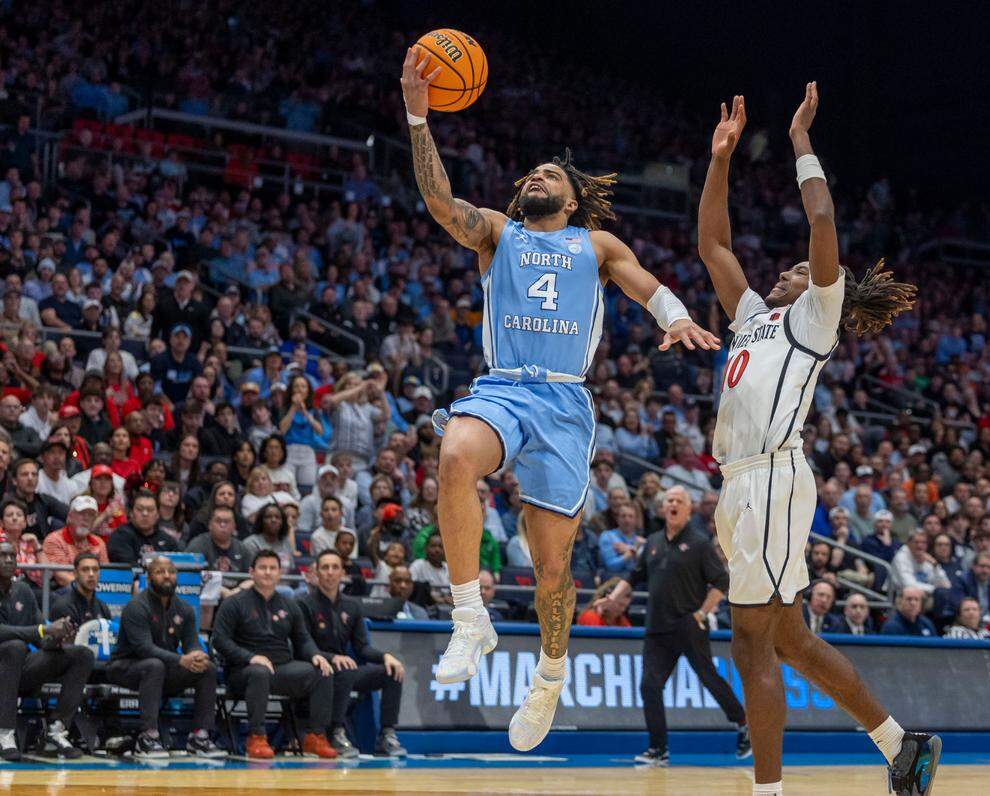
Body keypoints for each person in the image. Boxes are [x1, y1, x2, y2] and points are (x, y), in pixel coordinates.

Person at [401, 50, 719, 755]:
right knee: (454, 452)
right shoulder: (496, 232)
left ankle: (549, 674)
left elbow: (643, 282)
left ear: (572, 200)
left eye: (551, 174)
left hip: (566, 408)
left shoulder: (595, 243)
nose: (535, 176)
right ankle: (467, 615)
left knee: (552, 572)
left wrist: (671, 316)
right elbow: (438, 202)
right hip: (503, 388)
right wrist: (419, 115)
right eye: (531, 173)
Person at [696, 86, 935, 795]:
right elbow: (713, 243)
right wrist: (720, 161)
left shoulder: (815, 317)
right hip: (742, 483)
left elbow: (822, 217)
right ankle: (901, 746)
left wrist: (800, 140)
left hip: (770, 478)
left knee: (750, 641)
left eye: (797, 271)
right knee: (792, 639)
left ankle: (767, 792)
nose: (784, 272)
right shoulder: (751, 318)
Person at [602, 487, 748, 765]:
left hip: (689, 625)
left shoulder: (700, 543)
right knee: (649, 685)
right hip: (657, 628)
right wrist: (611, 598)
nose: (673, 504)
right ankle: (659, 749)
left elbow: (721, 582)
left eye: (679, 501)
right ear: (661, 508)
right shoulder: (653, 542)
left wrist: (702, 613)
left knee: (708, 677)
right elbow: (634, 576)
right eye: (669, 500)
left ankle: (743, 722)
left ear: (688, 509)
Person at [210, 549, 337, 759]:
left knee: (322, 672)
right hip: (244, 671)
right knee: (259, 672)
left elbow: (303, 639)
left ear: (279, 574)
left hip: (282, 668)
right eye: (262, 568)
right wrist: (250, 657)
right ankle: (256, 736)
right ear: (251, 572)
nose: (267, 573)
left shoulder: (290, 605)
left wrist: (315, 654)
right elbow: (220, 640)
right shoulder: (234, 602)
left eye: (272, 568)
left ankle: (315, 736)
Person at [107, 555, 224, 758]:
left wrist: (198, 656)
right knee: (154, 665)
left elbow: (191, 643)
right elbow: (144, 649)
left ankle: (199, 736)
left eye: (171, 571)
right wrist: (181, 660)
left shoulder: (184, 609)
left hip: (163, 669)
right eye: (160, 572)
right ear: (149, 578)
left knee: (207, 669)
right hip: (125, 667)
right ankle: (148, 737)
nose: (167, 576)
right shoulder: (136, 606)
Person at [299, 550, 407, 758]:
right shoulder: (305, 604)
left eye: (335, 567)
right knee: (346, 670)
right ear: (317, 572)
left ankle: (386, 734)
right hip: (316, 668)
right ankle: (335, 732)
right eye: (325, 568)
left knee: (392, 671)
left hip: (344, 670)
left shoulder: (352, 605)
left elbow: (362, 648)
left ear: (342, 573)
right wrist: (332, 658)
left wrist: (385, 656)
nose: (330, 573)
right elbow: (303, 646)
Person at [0, 541, 94, 761]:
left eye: (12, 556)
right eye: (2, 556)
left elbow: (42, 633)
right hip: (4, 665)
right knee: (14, 647)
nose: (8, 560)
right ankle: (4, 732)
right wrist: (43, 630)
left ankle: (56, 729)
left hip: (19, 670)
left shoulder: (23, 590)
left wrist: (57, 636)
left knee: (82, 654)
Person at [42, 495, 109, 588]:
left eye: (91, 515)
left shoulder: (99, 542)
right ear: (70, 517)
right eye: (81, 513)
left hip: (94, 591)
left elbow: (106, 574)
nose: (86, 518)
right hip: (64, 592)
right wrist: (89, 588)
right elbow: (61, 577)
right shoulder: (54, 540)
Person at [49, 552, 112, 627]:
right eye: (85, 569)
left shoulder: (103, 607)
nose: (91, 574)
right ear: (75, 573)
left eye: (95, 569)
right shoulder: (62, 607)